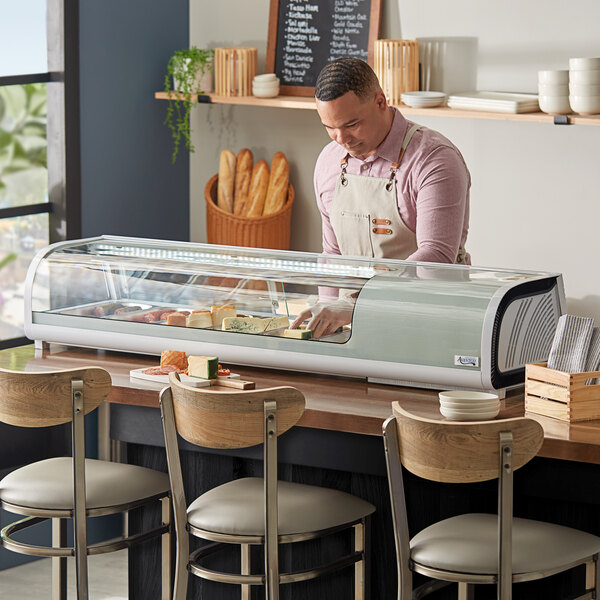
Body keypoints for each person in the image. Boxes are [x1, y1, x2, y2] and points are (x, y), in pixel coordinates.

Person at [292, 57, 471, 338]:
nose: (341, 139)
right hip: (354, 331)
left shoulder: (434, 160)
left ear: (380, 101)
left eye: (351, 124)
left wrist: (353, 306)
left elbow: (435, 259)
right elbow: (332, 254)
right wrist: (324, 321)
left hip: (427, 325)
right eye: (329, 127)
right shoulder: (329, 160)